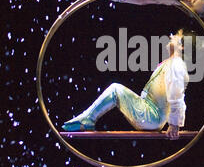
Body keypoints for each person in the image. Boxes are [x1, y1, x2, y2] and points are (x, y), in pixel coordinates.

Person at [62, 30, 190, 139]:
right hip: (150, 112)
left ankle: (87, 120)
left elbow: (177, 94)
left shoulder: (176, 64)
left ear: (182, 46)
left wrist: (174, 124)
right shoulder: (171, 62)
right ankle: (87, 119)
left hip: (152, 116)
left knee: (115, 89)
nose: (171, 36)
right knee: (116, 90)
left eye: (176, 36)